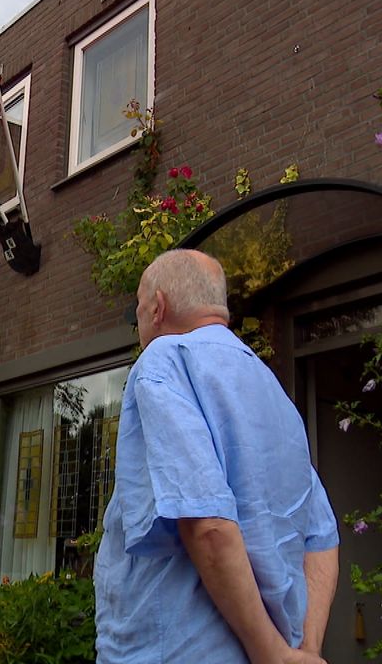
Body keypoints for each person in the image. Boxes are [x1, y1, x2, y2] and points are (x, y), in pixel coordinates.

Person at [95, 249, 340, 664]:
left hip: (171, 649)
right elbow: (321, 535)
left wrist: (270, 654)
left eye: (137, 306)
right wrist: (304, 650)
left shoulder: (164, 359)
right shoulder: (271, 388)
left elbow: (207, 524)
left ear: (158, 307)